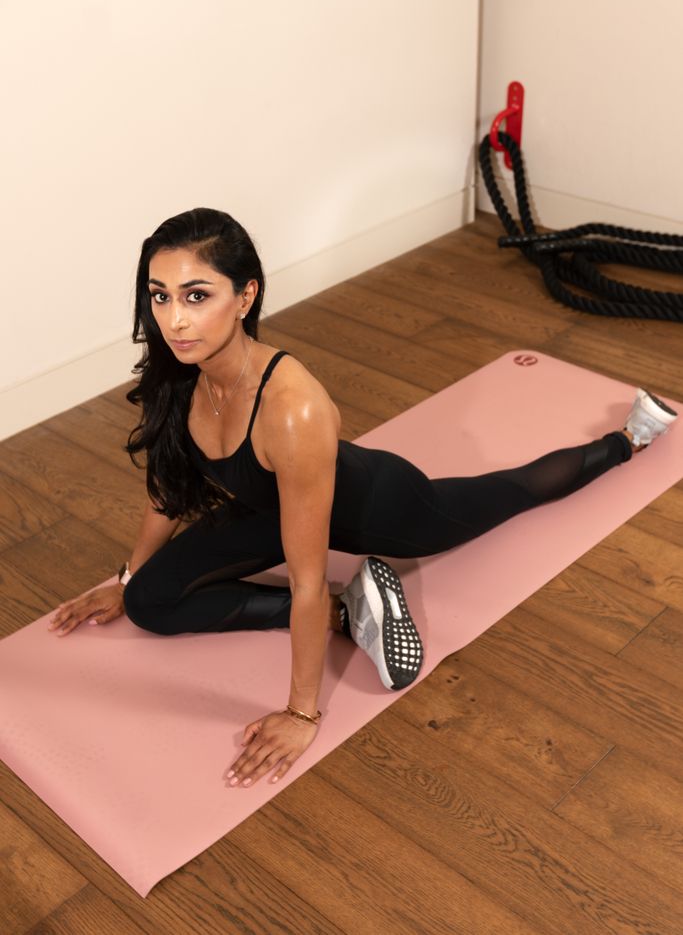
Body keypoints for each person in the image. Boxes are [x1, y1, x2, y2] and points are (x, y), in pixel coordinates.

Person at [47, 208, 678, 790]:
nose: (175, 319)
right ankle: (357, 611)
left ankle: (628, 438)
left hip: (382, 506)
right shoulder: (181, 372)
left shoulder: (292, 409)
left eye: (196, 296)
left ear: (246, 296)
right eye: (160, 296)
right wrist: (127, 576)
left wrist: (301, 712)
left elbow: (306, 575)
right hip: (268, 510)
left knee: (509, 492)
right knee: (149, 603)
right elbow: (168, 490)